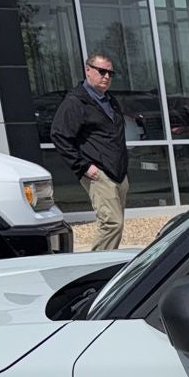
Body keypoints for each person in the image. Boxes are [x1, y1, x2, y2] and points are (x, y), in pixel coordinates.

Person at [51, 53, 129, 252]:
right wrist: (84, 167)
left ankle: (108, 264)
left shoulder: (110, 101)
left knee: (115, 225)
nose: (106, 77)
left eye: (110, 73)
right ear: (88, 70)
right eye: (101, 71)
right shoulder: (76, 102)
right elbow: (59, 136)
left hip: (118, 173)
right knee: (112, 224)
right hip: (98, 173)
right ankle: (95, 266)